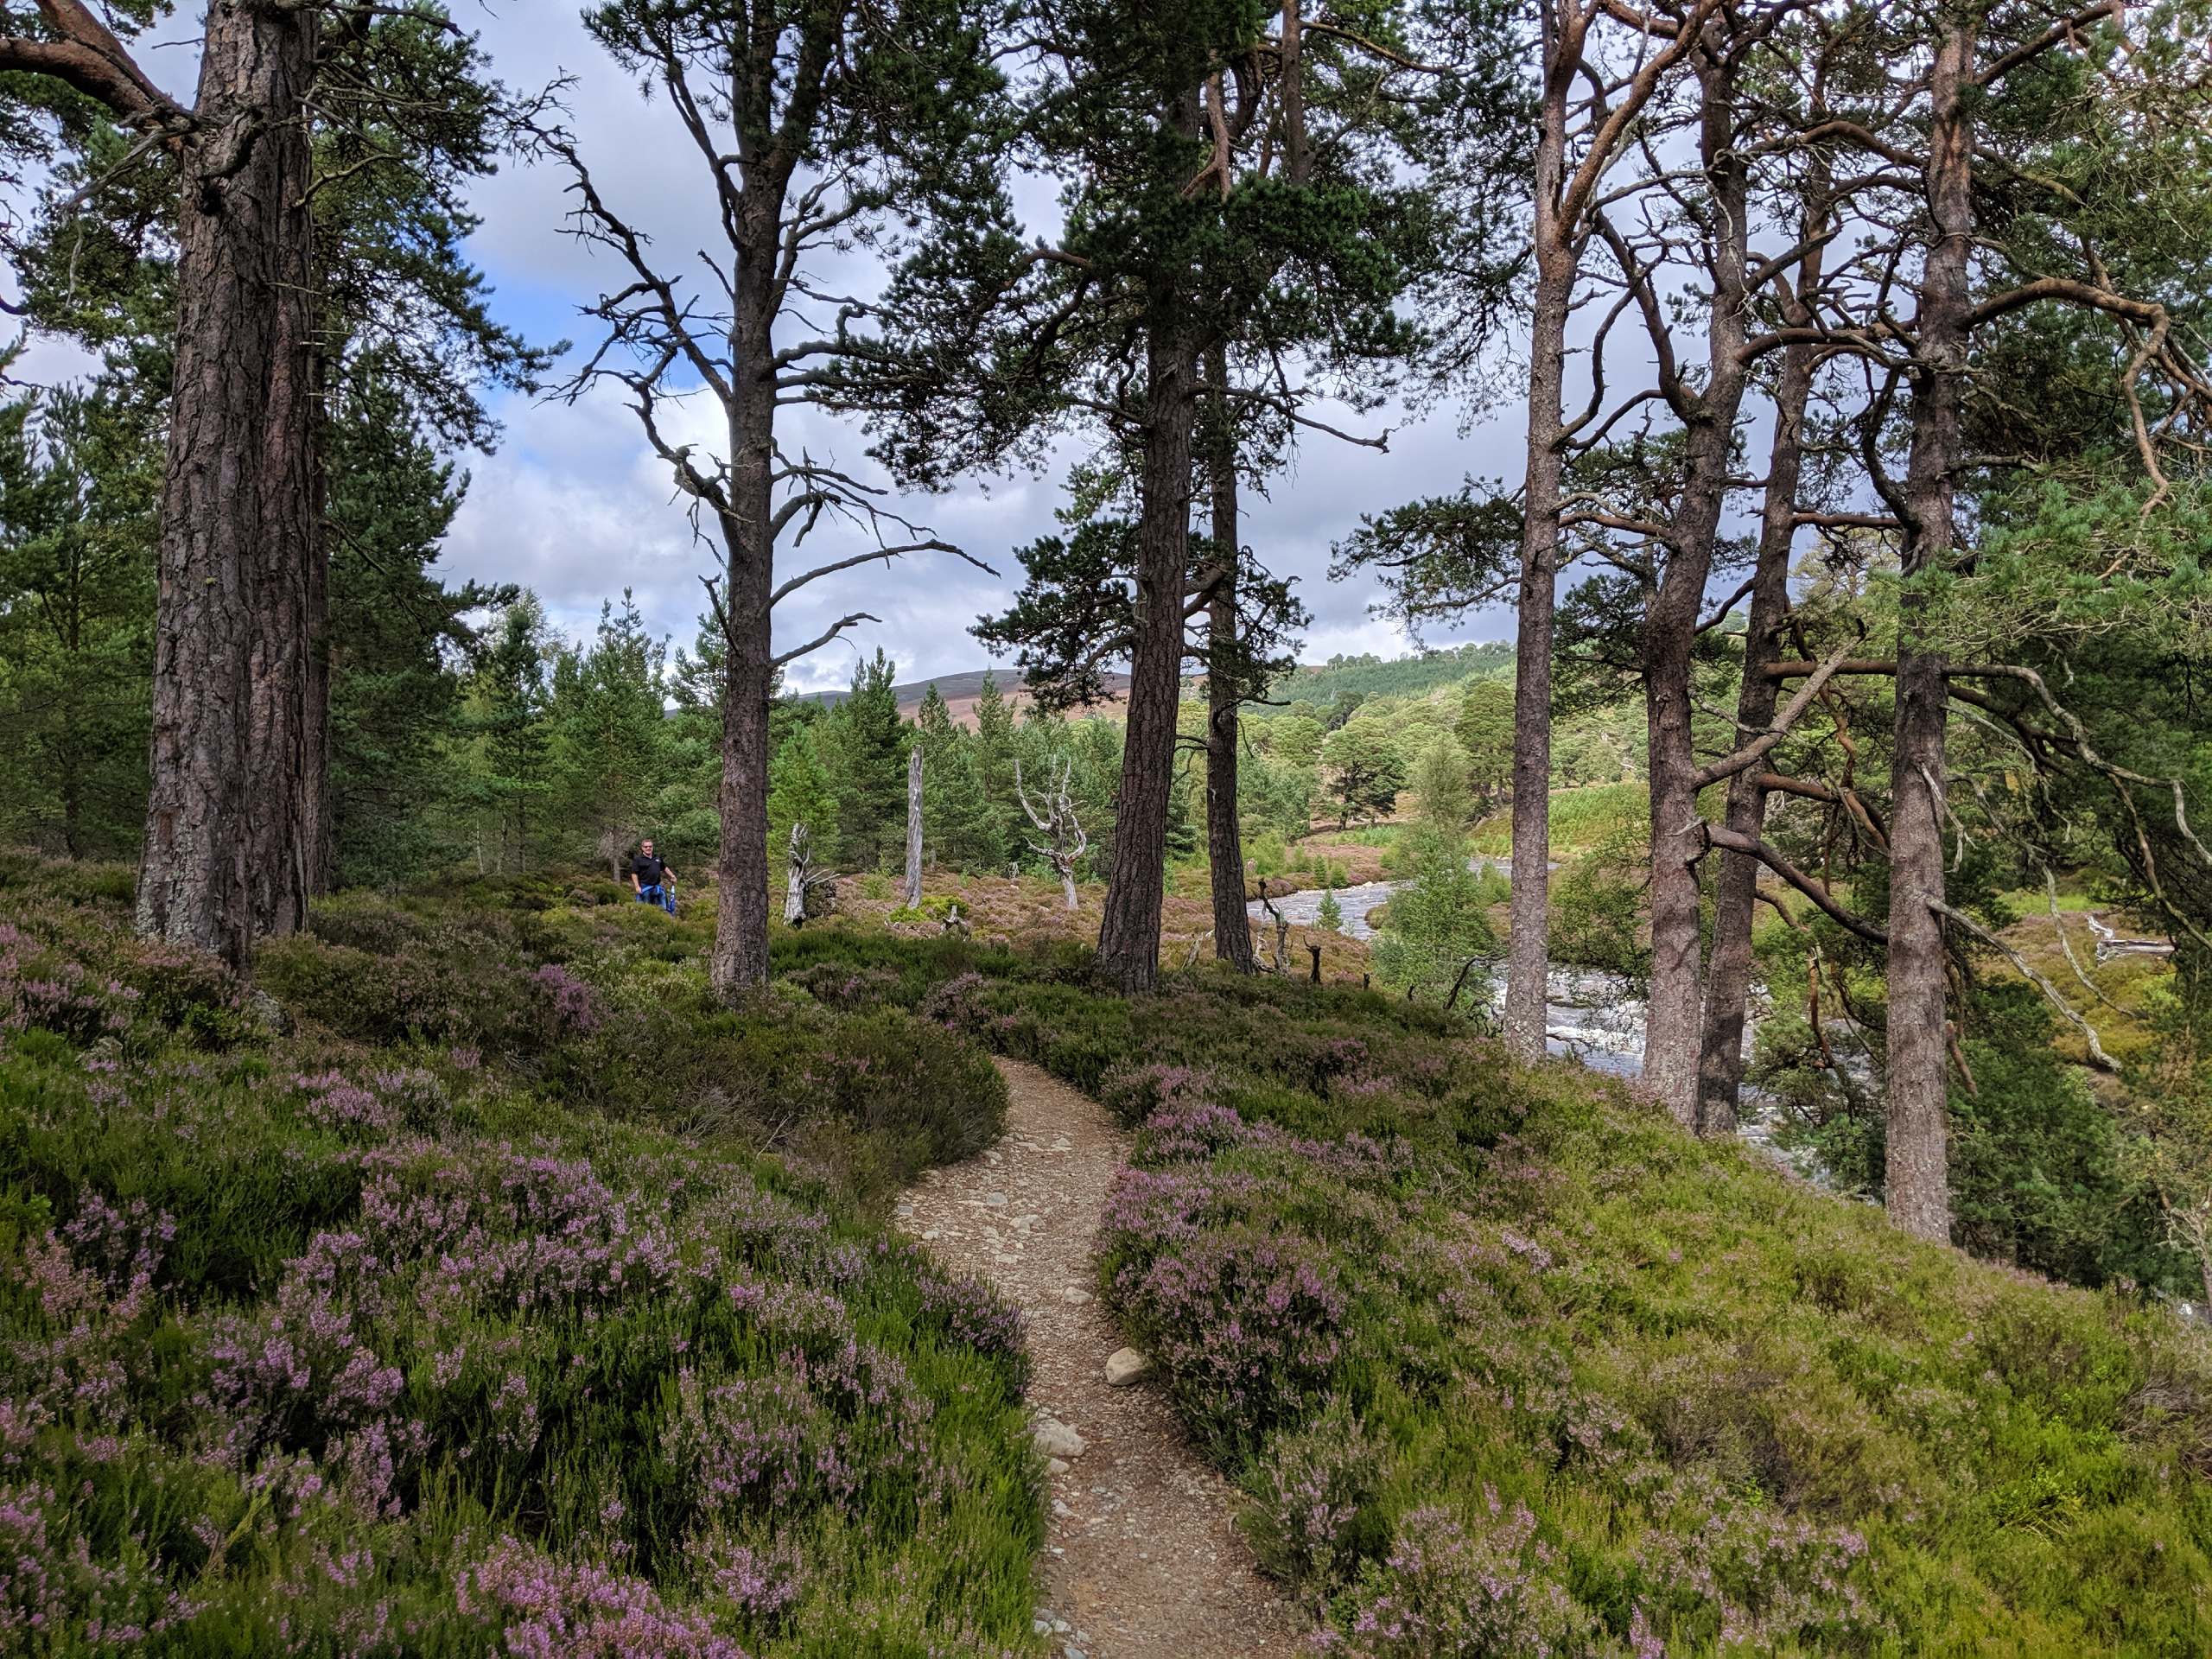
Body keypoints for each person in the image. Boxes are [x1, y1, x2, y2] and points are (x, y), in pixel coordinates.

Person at [631, 839, 677, 915]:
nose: (648, 848)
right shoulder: (638, 859)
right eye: (646, 847)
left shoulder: (657, 858)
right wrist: (637, 887)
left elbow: (664, 868)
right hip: (645, 888)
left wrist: (672, 876)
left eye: (650, 846)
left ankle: (664, 920)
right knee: (646, 909)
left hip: (657, 887)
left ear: (653, 847)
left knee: (663, 909)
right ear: (642, 848)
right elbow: (634, 874)